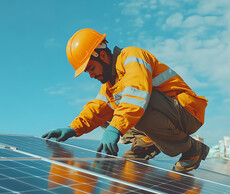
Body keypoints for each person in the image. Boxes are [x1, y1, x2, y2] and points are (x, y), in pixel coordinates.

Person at [42, 28, 209, 173]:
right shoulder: (110, 83)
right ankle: (148, 140)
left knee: (135, 105)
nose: (91, 75)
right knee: (105, 113)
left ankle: (192, 149)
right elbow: (98, 109)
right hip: (168, 112)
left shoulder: (131, 56)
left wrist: (115, 129)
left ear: (102, 55)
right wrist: (73, 129)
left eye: (91, 68)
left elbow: (137, 96)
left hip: (187, 111)